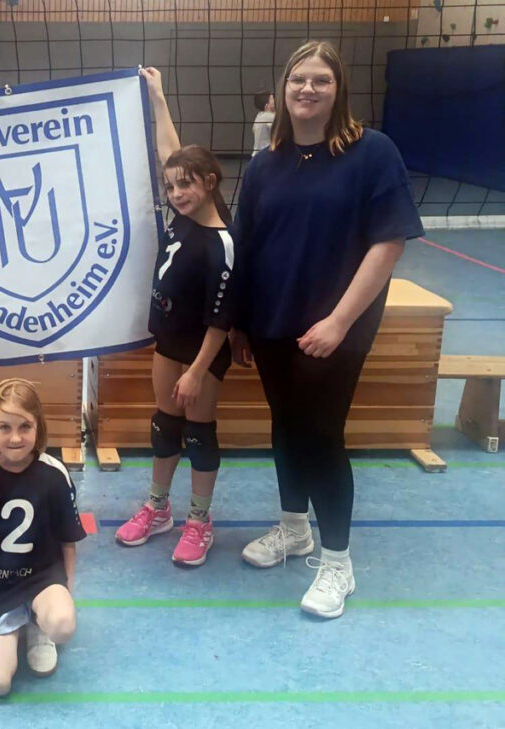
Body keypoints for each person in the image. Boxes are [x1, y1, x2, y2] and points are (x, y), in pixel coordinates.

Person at [230, 41, 424, 618]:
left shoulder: (372, 152)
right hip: (272, 321)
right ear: (283, 88)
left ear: (339, 90)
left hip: (336, 327)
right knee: (286, 426)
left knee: (321, 435)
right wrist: (240, 322)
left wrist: (339, 321)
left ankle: (337, 561)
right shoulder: (265, 164)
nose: (307, 89)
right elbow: (247, 247)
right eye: (298, 79)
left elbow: (388, 243)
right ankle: (294, 529)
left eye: (321, 80)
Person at [114, 67, 235, 567]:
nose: (176, 193)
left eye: (186, 185)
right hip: (167, 344)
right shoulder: (179, 217)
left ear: (210, 183)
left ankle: (199, 520)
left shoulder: (221, 243)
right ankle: (158, 508)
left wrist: (197, 371)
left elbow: (221, 321)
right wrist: (158, 96)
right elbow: (170, 152)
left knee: (198, 433)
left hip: (202, 353)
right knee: (165, 425)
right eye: (170, 187)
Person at [0, 379, 86, 696]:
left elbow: (67, 541)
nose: (15, 438)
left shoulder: (54, 473)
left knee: (62, 624)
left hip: (42, 579)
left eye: (25, 426)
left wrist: (66, 592)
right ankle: (14, 622)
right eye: (5, 427)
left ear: (38, 426)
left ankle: (39, 625)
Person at [252, 88, 276, 156]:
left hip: (256, 154)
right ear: (267, 105)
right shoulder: (268, 117)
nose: (275, 100)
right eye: (272, 99)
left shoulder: (259, 115)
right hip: (264, 155)